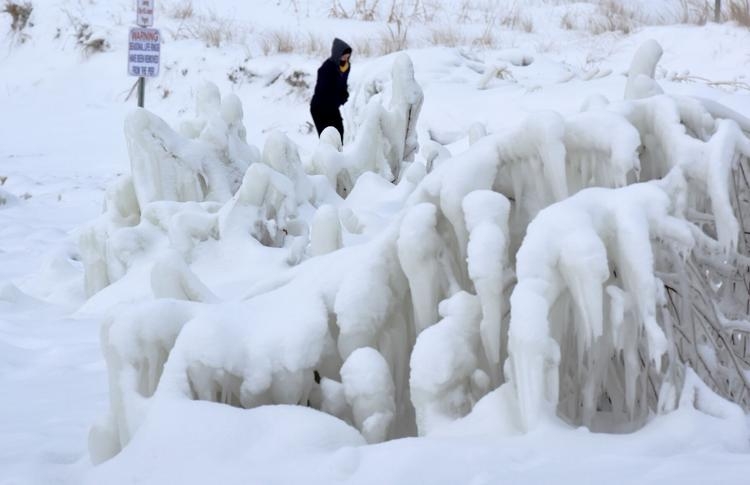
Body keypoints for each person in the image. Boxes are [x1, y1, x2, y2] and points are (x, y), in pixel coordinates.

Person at [310, 38, 352, 143]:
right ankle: (326, 158)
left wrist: (344, 93)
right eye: (343, 56)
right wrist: (339, 98)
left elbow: (342, 84)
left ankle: (339, 157)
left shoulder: (346, 66)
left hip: (333, 107)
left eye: (347, 56)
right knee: (328, 139)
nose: (345, 59)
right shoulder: (326, 69)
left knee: (339, 133)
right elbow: (324, 92)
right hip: (320, 108)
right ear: (337, 54)